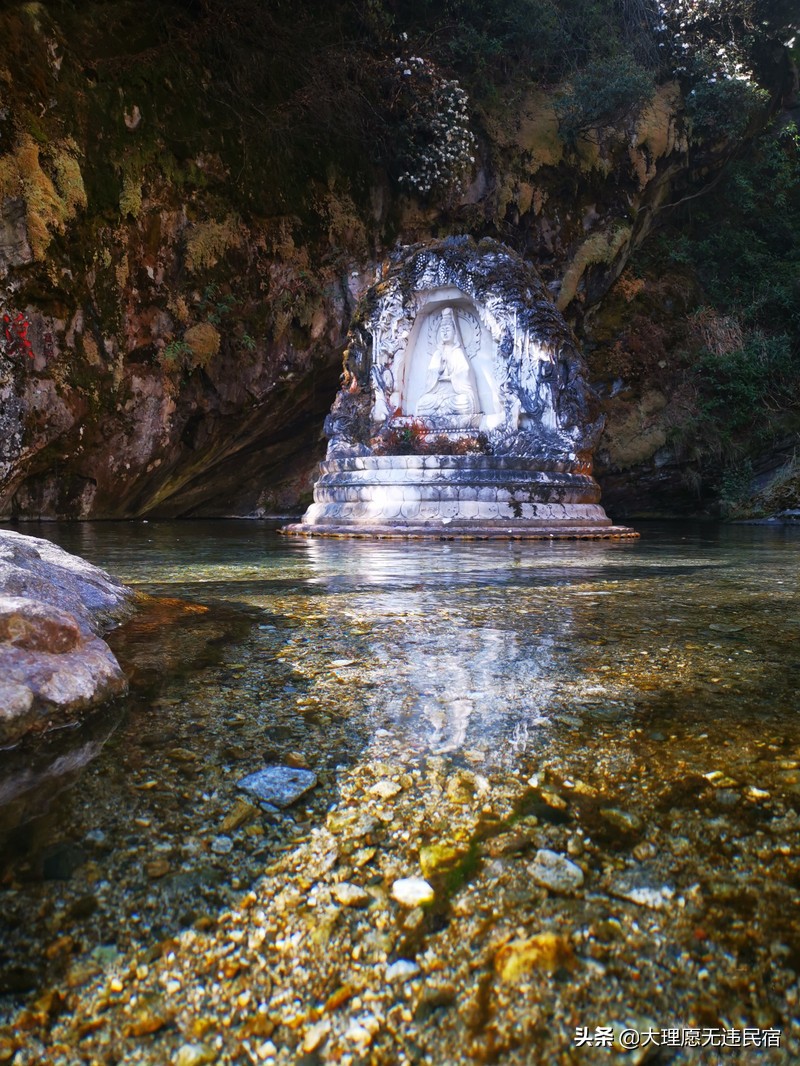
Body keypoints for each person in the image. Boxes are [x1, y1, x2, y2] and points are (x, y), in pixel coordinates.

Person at [416, 307, 477, 418]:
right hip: (438, 395)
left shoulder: (457, 352)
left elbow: (465, 371)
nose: (444, 332)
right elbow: (430, 377)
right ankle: (440, 409)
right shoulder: (437, 353)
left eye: (447, 329)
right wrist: (438, 369)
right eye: (442, 330)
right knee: (423, 402)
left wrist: (452, 373)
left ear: (455, 333)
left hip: (455, 394)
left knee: (464, 402)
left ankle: (442, 410)